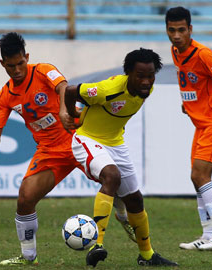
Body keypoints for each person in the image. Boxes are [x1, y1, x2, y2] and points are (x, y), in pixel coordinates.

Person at [0, 32, 134, 266]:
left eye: (20, 63)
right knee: (25, 199)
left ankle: (123, 216)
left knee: (111, 177)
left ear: (26, 57)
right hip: (50, 152)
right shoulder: (5, 95)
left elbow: (63, 87)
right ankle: (29, 257)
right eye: (10, 66)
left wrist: (62, 110)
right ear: (2, 64)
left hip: (78, 138)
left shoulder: (43, 70)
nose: (17, 70)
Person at [63, 48, 178, 267]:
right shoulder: (107, 90)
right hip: (87, 139)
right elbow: (70, 91)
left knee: (135, 200)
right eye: (140, 76)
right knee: (111, 176)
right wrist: (71, 114)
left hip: (115, 143)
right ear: (128, 74)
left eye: (150, 75)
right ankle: (97, 245)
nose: (146, 81)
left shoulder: (147, 89)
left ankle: (147, 256)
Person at [165, 7, 212, 251]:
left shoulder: (204, 54)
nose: (176, 35)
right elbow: (193, 81)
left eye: (181, 30)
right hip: (201, 123)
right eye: (171, 30)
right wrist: (188, 103)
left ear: (190, 29)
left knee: (200, 176)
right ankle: (208, 234)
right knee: (197, 178)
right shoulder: (176, 51)